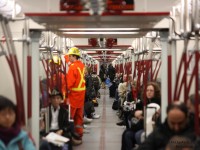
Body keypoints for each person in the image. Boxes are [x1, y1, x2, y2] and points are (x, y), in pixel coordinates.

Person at [66, 47, 86, 144]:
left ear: (74, 56)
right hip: (81, 96)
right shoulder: (81, 65)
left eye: (70, 56)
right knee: (79, 117)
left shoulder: (72, 67)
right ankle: (79, 135)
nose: (69, 58)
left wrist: (64, 94)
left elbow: (69, 83)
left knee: (70, 117)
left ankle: (71, 137)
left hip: (73, 96)